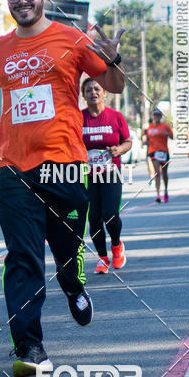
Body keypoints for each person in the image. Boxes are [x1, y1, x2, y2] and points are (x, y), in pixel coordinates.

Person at [0, 0, 125, 377]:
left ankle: (73, 285)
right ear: (7, 0)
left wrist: (113, 59)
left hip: (65, 168)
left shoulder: (71, 38)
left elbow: (114, 85)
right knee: (23, 257)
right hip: (15, 171)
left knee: (67, 253)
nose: (22, 1)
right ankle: (30, 347)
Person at [81, 78, 132, 274]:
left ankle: (117, 245)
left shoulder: (115, 117)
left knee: (110, 214)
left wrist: (119, 149)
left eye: (97, 89)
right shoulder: (78, 118)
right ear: (84, 95)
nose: (93, 92)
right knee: (94, 218)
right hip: (88, 176)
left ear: (104, 93)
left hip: (111, 173)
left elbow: (127, 141)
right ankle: (102, 258)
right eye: (88, 90)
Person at [143, 109, 173, 202]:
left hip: (164, 152)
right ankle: (158, 194)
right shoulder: (149, 127)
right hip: (153, 151)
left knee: (164, 174)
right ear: (152, 116)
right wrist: (145, 141)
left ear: (160, 116)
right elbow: (145, 139)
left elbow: (172, 136)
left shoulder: (165, 126)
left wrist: (167, 134)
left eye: (158, 115)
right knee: (157, 173)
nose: (156, 117)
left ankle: (166, 191)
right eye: (154, 115)